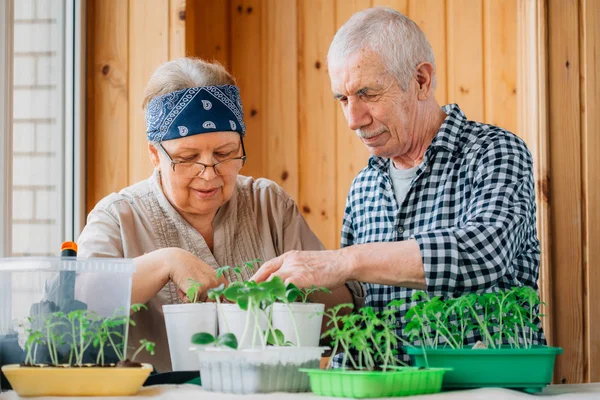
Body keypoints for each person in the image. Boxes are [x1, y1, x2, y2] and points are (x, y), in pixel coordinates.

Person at [252, 7, 546, 353]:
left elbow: (482, 253)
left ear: (421, 80)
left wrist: (341, 261)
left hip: (487, 385)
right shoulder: (364, 186)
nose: (352, 119)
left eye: (367, 94)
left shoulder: (494, 152)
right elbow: (357, 316)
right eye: (342, 99)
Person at [76, 57, 356, 371]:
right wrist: (165, 262)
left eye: (224, 154)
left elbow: (344, 314)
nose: (209, 174)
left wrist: (295, 292)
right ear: (155, 155)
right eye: (187, 157)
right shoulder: (118, 216)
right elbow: (80, 305)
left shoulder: (269, 204)